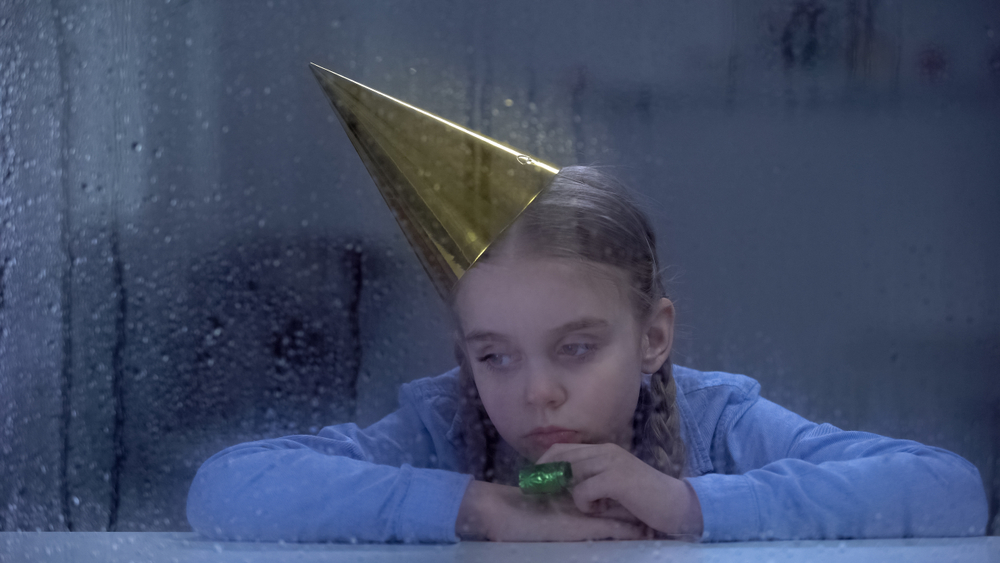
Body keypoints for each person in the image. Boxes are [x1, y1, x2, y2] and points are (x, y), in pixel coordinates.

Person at [186, 166, 989, 543]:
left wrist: (690, 506)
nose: (537, 393)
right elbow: (225, 487)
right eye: (495, 357)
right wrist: (481, 506)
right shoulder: (441, 423)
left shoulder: (718, 419)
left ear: (654, 335)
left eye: (575, 348)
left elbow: (949, 489)